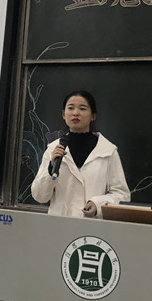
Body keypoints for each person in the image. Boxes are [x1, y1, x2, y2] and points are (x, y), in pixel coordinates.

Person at [31, 90, 130, 218]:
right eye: (70, 108)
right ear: (63, 114)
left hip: (93, 225)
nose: (75, 113)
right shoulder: (53, 150)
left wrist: (98, 204)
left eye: (82, 109)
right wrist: (50, 169)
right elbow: (40, 196)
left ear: (93, 116)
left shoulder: (108, 151)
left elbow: (122, 195)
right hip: (60, 224)